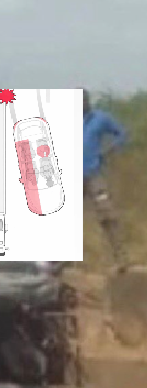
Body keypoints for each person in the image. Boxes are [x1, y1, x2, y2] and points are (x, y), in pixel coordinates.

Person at [82, 88, 128, 269]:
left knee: (107, 215)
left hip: (95, 175)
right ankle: (56, 261)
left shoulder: (100, 118)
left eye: (82, 100)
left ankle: (120, 259)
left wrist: (109, 150)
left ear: (87, 100)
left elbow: (122, 133)